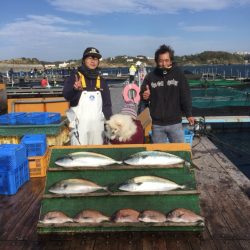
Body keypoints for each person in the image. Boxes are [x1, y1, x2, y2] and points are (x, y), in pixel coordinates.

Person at [140, 44, 195, 143]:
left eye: (166, 60)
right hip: (157, 125)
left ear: (171, 60)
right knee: (158, 155)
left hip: (175, 123)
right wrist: (145, 95)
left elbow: (185, 95)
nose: (164, 64)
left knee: (179, 152)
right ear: (157, 61)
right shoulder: (150, 76)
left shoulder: (179, 75)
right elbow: (143, 94)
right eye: (161, 61)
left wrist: (189, 114)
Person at [63, 47, 112, 145]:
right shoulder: (75, 76)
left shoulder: (102, 81)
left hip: (98, 128)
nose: (93, 61)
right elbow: (66, 95)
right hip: (80, 127)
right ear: (84, 60)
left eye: (96, 59)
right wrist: (75, 89)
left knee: (97, 154)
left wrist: (109, 124)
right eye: (90, 58)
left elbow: (107, 105)